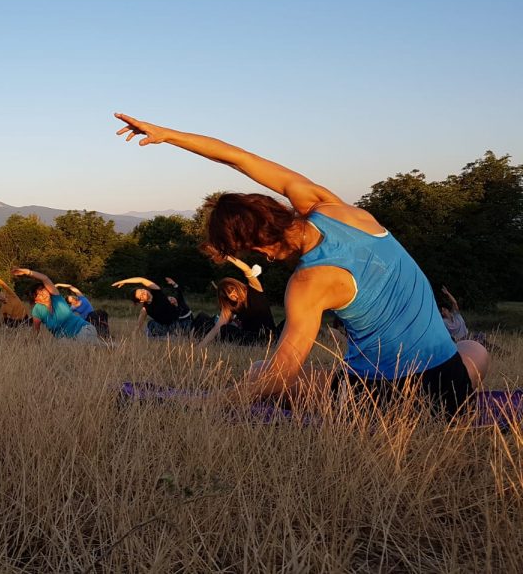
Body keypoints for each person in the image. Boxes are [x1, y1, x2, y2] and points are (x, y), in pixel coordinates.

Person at [114, 113, 489, 417]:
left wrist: (202, 404)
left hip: (386, 400)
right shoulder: (335, 209)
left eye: (251, 251)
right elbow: (241, 159)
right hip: (451, 386)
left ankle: (391, 408)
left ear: (260, 243)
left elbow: (279, 378)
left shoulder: (309, 282)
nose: (258, 258)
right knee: (474, 348)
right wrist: (168, 135)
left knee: (259, 372)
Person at [196, 255, 277, 347]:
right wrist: (200, 346)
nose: (232, 294)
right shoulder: (230, 306)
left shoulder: (254, 289)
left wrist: (228, 257)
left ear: (236, 286)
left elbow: (247, 270)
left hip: (269, 337)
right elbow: (217, 328)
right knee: (224, 329)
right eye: (227, 294)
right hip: (249, 338)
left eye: (232, 289)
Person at [12, 269, 100, 342]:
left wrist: (27, 272)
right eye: (39, 294)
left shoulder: (56, 297)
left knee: (80, 346)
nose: (44, 294)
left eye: (44, 291)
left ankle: (107, 347)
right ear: (35, 299)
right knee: (64, 345)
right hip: (64, 340)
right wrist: (31, 342)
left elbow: (45, 279)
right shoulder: (37, 311)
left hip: (83, 329)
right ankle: (109, 346)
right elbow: (36, 331)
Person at [112, 276, 193, 338]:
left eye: (142, 290)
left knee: (186, 325)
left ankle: (180, 335)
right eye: (141, 295)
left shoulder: (156, 291)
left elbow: (141, 280)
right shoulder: (145, 309)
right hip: (167, 328)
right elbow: (138, 325)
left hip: (178, 322)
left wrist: (124, 281)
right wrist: (134, 336)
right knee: (151, 324)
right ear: (141, 301)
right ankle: (163, 337)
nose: (144, 293)